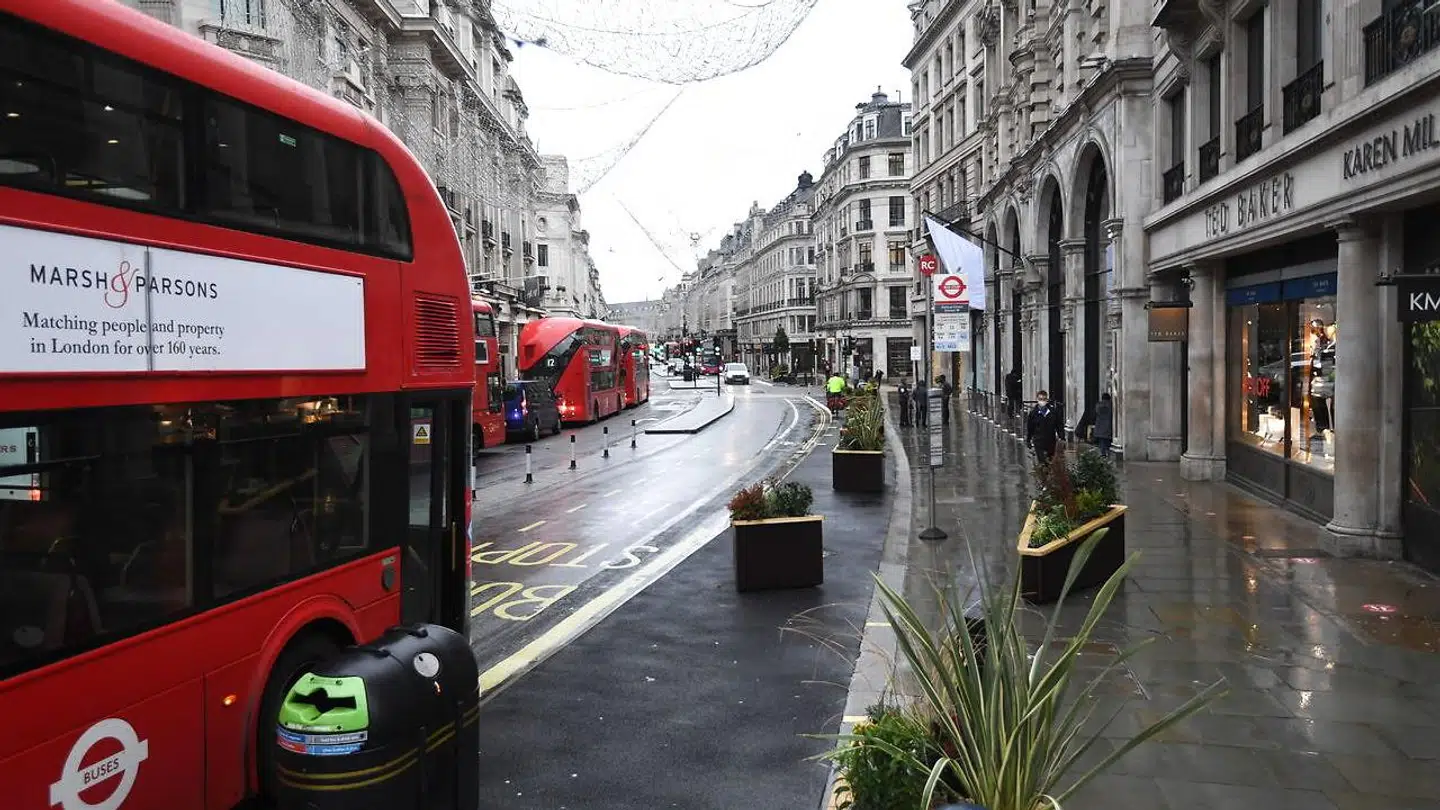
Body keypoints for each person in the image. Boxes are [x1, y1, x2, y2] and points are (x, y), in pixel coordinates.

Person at [1025, 389, 1063, 464]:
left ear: (1047, 399)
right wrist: (1028, 440)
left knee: (1049, 461)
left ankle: (1046, 473)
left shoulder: (1053, 412)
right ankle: (1043, 473)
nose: (1042, 401)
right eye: (1040, 399)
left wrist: (1062, 437)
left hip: (1051, 440)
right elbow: (1030, 428)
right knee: (1042, 461)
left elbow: (1058, 425)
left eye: (1044, 399)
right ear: (1037, 400)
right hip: (1038, 440)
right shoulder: (1033, 413)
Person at [1093, 392, 1114, 458]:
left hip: (1099, 426)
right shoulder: (1111, 405)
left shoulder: (1098, 405)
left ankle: (1103, 454)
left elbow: (1095, 413)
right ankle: (1108, 453)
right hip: (1108, 425)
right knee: (1107, 441)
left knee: (1101, 441)